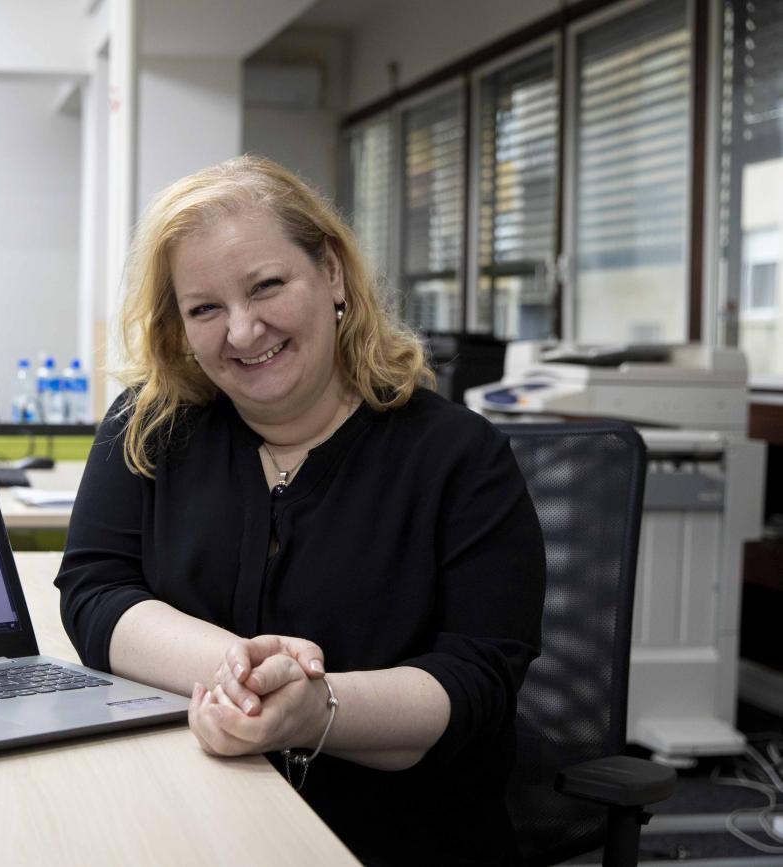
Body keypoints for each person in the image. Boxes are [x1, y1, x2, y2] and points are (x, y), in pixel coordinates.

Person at [54, 155, 546, 865]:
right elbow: (96, 590)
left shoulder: (460, 457)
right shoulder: (148, 426)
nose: (243, 331)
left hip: (393, 836)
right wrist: (239, 672)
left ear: (332, 273)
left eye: (267, 286)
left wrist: (317, 711)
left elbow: (478, 677)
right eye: (205, 309)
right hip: (184, 812)